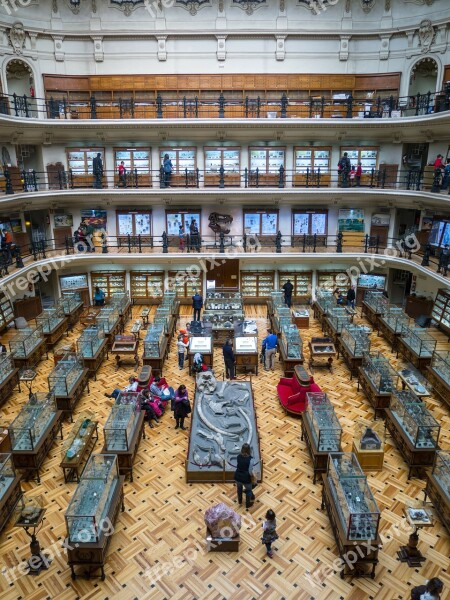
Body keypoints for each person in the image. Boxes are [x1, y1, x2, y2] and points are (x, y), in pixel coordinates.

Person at [234, 443, 255, 510]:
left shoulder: (238, 457)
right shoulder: (251, 460)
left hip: (237, 476)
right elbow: (250, 472)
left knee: (239, 489)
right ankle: (247, 504)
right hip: (246, 478)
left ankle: (240, 501)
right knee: (249, 490)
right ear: (249, 450)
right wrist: (253, 477)